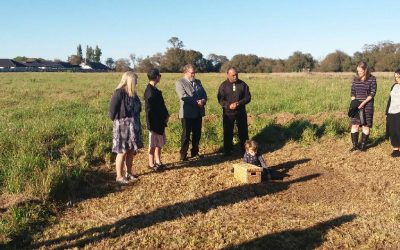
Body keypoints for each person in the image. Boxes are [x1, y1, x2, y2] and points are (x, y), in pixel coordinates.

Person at [109, 71, 143, 184]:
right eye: (136, 80)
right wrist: (121, 123)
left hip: (134, 126)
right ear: (130, 81)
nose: (137, 82)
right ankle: (119, 176)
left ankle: (129, 173)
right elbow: (112, 113)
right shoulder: (118, 93)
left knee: (131, 151)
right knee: (122, 151)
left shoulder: (133, 94)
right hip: (123, 128)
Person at [175, 64, 207, 161]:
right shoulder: (180, 82)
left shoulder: (198, 82)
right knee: (186, 134)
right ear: (185, 72)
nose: (194, 74)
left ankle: (195, 152)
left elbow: (204, 94)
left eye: (194, 72)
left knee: (197, 133)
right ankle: (183, 154)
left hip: (198, 112)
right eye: (192, 73)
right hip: (187, 113)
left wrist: (203, 100)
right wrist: (197, 102)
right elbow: (183, 96)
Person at [217, 67, 251, 155]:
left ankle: (245, 151)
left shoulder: (243, 84)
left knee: (243, 132)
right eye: (233, 75)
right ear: (228, 75)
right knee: (228, 131)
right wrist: (228, 105)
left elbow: (248, 97)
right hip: (228, 113)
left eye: (236, 75)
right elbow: (220, 99)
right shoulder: (223, 86)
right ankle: (228, 151)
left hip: (241, 112)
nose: (235, 77)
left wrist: (239, 103)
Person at [144, 68, 170, 171]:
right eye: (159, 75)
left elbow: (161, 106)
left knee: (158, 143)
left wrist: (165, 115)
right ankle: (151, 164)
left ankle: (158, 161)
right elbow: (149, 110)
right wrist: (150, 124)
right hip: (154, 123)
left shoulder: (154, 90)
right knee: (152, 144)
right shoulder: (150, 92)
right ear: (156, 77)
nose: (160, 77)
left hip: (159, 121)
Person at [350, 62, 377, 151]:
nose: (359, 73)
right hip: (356, 106)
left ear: (365, 70)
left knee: (366, 125)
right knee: (355, 125)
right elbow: (353, 92)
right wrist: (354, 102)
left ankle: (363, 146)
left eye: (361, 71)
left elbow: (372, 93)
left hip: (367, 106)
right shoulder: (355, 79)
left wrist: (363, 103)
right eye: (358, 71)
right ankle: (354, 146)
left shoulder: (372, 79)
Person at [385, 69, 400, 157]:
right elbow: (390, 100)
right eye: (396, 77)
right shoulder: (394, 86)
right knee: (392, 131)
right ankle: (395, 148)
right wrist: (387, 111)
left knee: (399, 131)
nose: (397, 79)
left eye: (398, 77)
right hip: (391, 111)